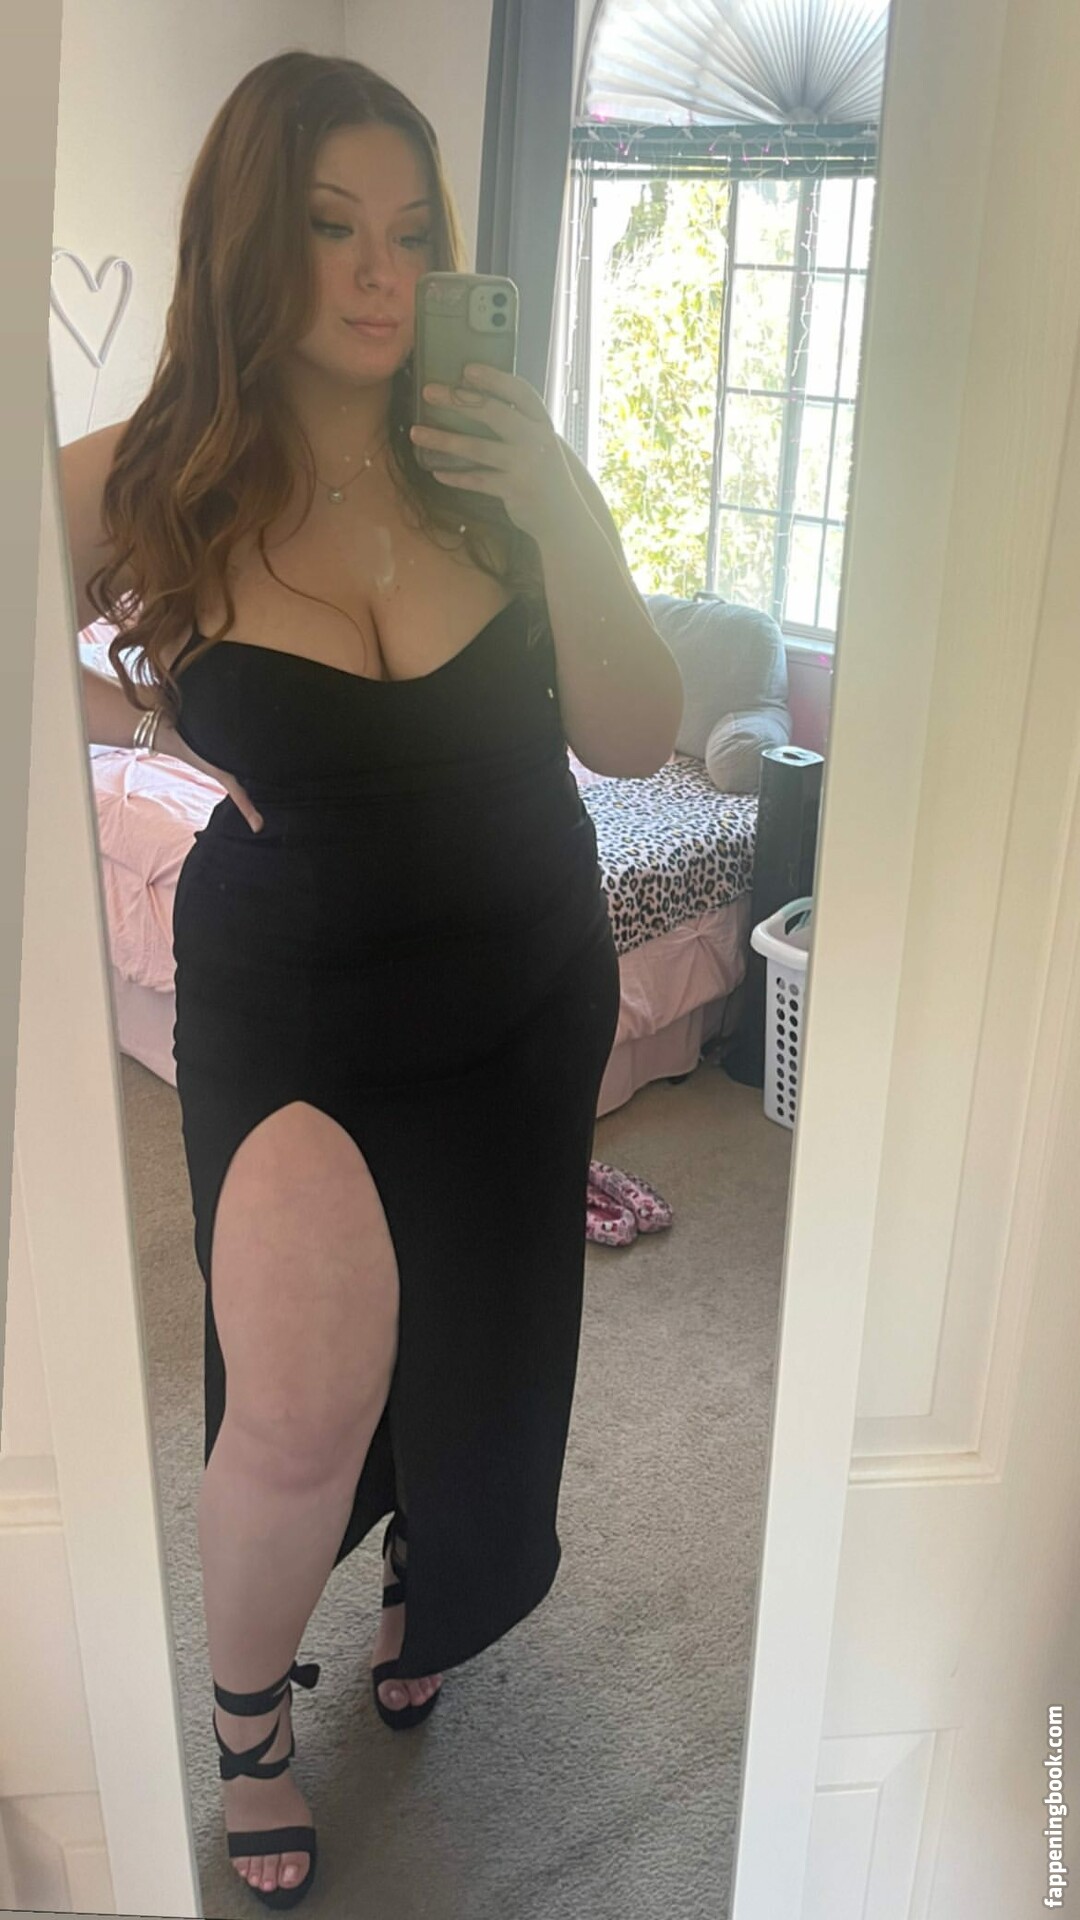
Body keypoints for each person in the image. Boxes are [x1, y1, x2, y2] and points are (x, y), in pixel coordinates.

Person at [61, 49, 682, 1912]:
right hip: (300, 986)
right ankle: (249, 1719)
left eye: (413, 233)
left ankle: (434, 1571)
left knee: (482, 1338)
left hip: (525, 975)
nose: (381, 273)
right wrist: (147, 719)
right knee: (302, 1391)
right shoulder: (147, 474)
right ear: (249, 241)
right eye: (332, 226)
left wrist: (562, 498)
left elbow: (634, 733)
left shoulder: (493, 464)